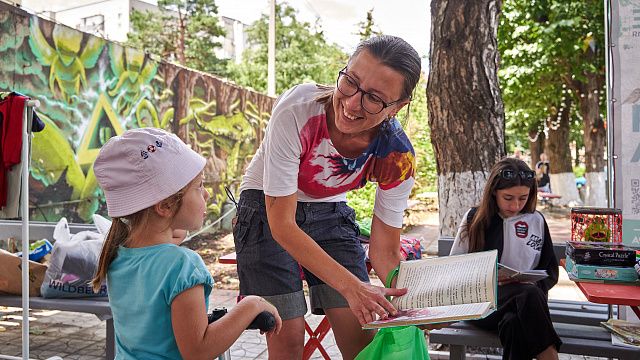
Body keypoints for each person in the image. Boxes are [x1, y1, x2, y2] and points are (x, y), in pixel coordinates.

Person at [233, 35, 421, 359]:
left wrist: (414, 305)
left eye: (374, 98)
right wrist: (353, 287)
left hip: (330, 210)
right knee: (288, 334)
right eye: (350, 81)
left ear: (398, 107)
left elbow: (385, 253)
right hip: (267, 206)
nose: (350, 104)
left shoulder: (397, 157)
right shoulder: (298, 110)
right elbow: (282, 225)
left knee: (360, 333)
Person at [90, 128, 282, 359]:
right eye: (199, 186)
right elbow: (199, 350)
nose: (207, 195)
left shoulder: (117, 254)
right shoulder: (182, 266)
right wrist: (251, 304)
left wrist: (170, 229)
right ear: (165, 206)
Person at [450, 157, 561, 360]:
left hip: (526, 306)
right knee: (526, 294)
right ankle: (551, 356)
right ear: (494, 192)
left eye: (523, 198)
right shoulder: (474, 219)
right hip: (482, 306)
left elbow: (551, 272)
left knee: (514, 323)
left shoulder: (536, 221)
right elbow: (455, 269)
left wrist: (527, 281)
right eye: (508, 198)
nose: (515, 205)